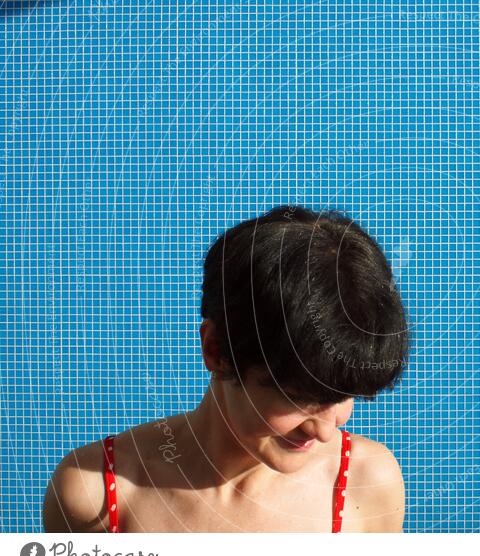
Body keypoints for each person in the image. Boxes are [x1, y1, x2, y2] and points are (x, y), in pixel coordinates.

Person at [42, 205, 410, 532]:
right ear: (215, 349)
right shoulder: (95, 495)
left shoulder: (367, 484)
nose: (325, 432)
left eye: (341, 397)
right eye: (297, 398)